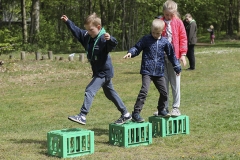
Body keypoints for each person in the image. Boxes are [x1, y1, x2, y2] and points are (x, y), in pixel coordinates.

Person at [61, 13, 132, 125]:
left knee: (90, 90)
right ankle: (126, 114)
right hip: (99, 71)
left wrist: (110, 39)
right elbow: (77, 31)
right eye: (87, 30)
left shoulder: (103, 39)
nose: (88, 32)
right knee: (110, 94)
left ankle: (82, 116)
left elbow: (113, 45)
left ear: (99, 27)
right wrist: (68, 22)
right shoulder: (87, 36)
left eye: (91, 30)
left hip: (104, 72)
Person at [123, 19, 181, 122]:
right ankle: (136, 113)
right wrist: (131, 53)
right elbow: (137, 47)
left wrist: (177, 67)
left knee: (164, 93)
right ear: (151, 30)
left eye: (157, 33)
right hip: (147, 71)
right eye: (153, 32)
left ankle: (161, 109)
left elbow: (171, 55)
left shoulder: (165, 42)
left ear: (162, 31)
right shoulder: (146, 39)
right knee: (144, 91)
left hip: (159, 72)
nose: (154, 34)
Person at [154, 0, 188, 117]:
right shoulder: (160, 22)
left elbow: (183, 38)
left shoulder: (178, 22)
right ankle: (163, 107)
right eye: (166, 14)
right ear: (163, 12)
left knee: (175, 83)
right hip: (161, 58)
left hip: (175, 58)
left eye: (171, 15)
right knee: (163, 84)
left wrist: (183, 54)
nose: (168, 17)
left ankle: (176, 107)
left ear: (175, 13)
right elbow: (154, 37)